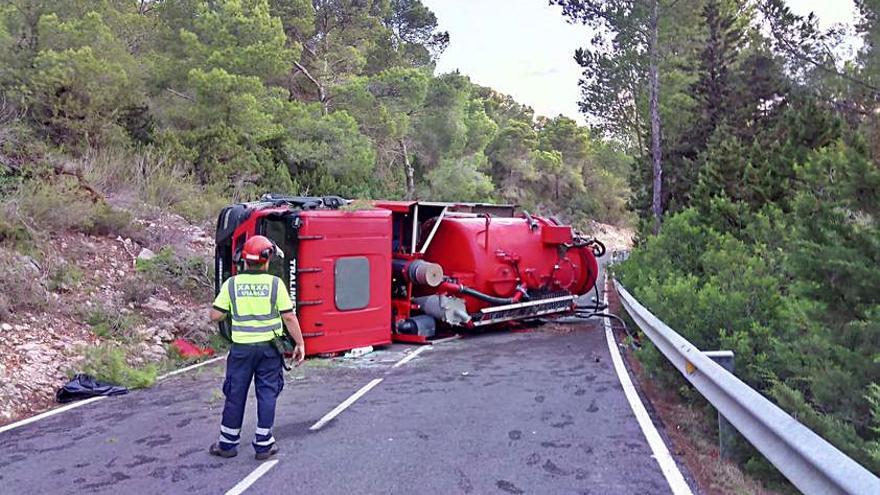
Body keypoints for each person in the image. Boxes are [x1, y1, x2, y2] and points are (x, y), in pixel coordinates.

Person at [208, 235, 305, 460]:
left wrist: (233, 306)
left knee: (235, 393)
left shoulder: (231, 284)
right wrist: (299, 343)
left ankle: (227, 444)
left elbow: (215, 315)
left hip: (241, 350)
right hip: (269, 351)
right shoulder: (275, 285)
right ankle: (263, 444)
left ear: (244, 259)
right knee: (267, 393)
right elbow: (289, 317)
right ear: (267, 259)